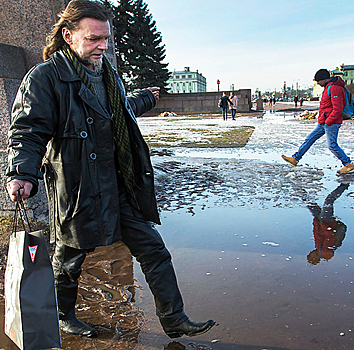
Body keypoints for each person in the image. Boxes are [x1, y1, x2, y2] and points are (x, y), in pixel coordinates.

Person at [5, 0, 214, 340]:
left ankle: (174, 318)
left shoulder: (108, 75)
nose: (102, 45)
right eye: (93, 39)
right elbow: (27, 130)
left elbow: (118, 111)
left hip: (118, 184)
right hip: (78, 187)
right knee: (69, 260)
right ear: (68, 35)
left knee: (153, 250)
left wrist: (145, 98)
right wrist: (20, 173)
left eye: (106, 38)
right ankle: (62, 315)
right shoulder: (46, 78)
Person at [281, 68, 354, 175]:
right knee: (309, 139)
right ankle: (295, 158)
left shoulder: (334, 88)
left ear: (324, 79)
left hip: (331, 122)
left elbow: (337, 108)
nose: (317, 83)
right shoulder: (328, 87)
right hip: (324, 122)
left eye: (318, 81)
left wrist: (329, 121)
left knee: (332, 145)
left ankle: (348, 165)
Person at [306, 183, 348, 265]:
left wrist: (316, 222)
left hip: (320, 221)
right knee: (329, 200)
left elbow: (317, 234)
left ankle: (296, 186)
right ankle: (344, 185)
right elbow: (330, 236)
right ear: (314, 257)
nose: (310, 252)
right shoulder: (325, 252)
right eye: (310, 254)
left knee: (309, 203)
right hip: (326, 222)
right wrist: (323, 225)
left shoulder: (319, 249)